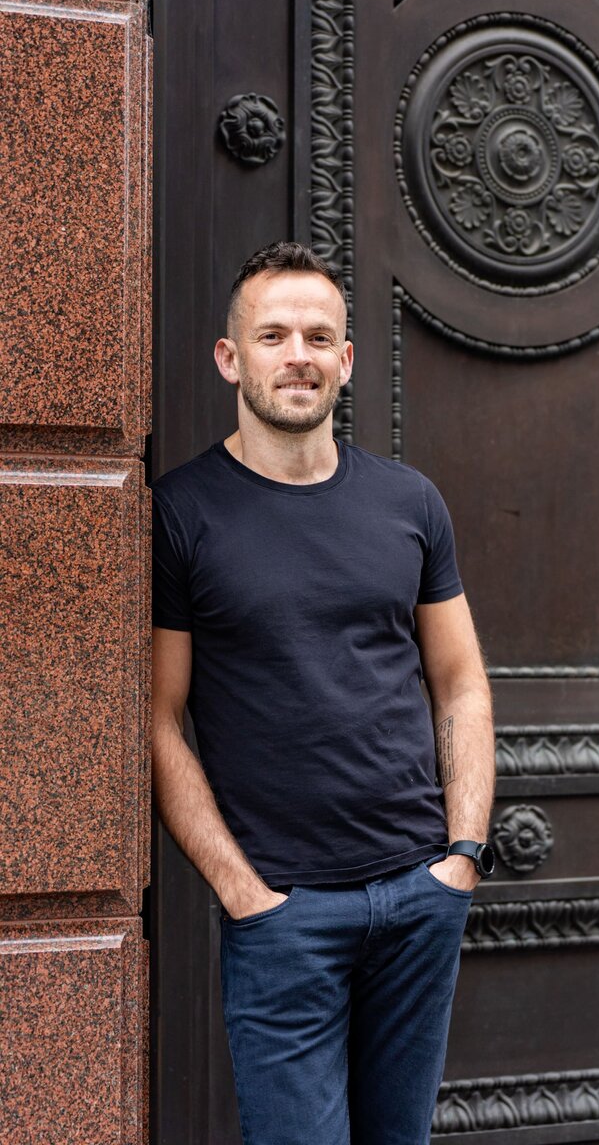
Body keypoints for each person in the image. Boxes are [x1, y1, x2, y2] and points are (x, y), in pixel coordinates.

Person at [151, 241, 496, 1145]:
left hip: (418, 896)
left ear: (345, 360)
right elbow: (155, 718)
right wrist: (243, 893)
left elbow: (459, 683)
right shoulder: (181, 513)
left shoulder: (409, 503)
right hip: (284, 917)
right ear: (232, 358)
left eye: (317, 336)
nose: (296, 353)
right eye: (272, 335)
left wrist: (459, 855)